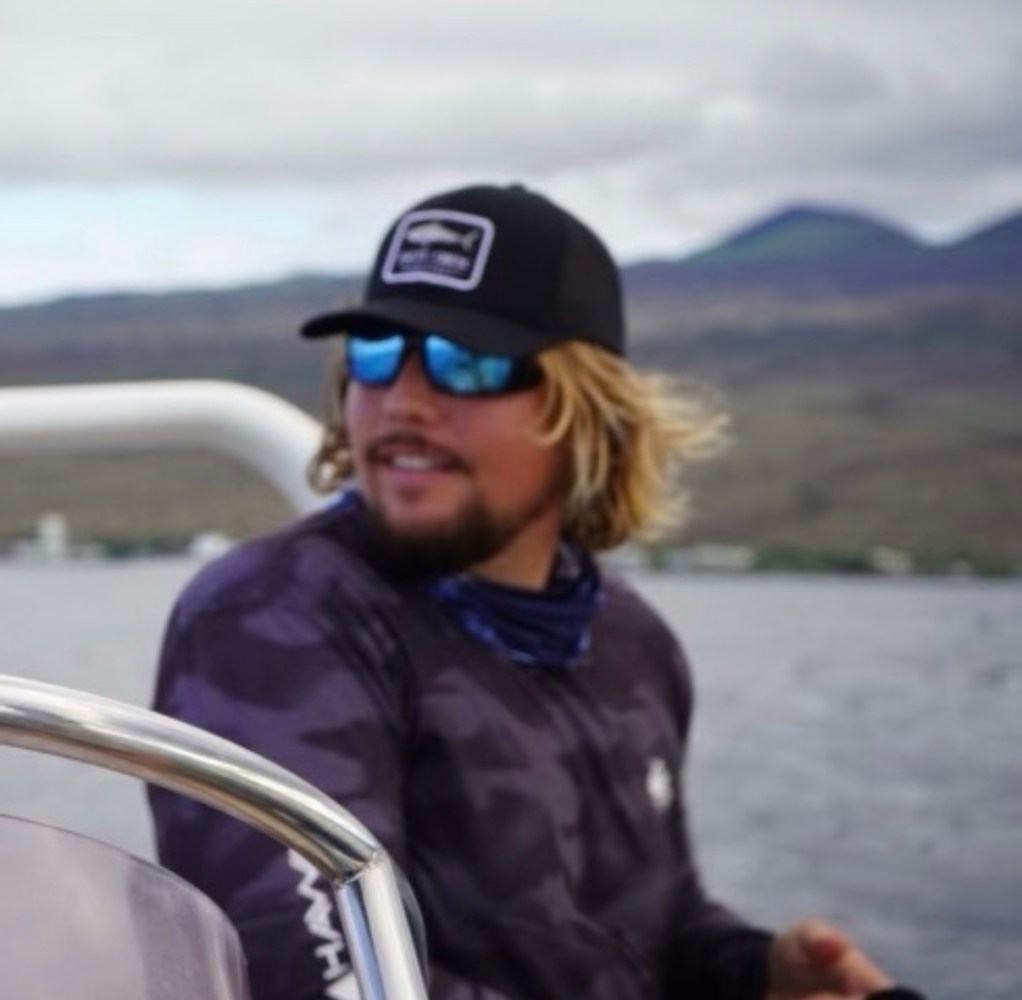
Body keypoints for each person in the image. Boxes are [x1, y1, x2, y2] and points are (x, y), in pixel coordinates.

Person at [148, 183, 917, 1000]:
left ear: (586, 412)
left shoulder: (632, 641)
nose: (403, 401)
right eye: (376, 353)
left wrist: (755, 974)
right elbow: (317, 980)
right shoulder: (272, 618)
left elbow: (655, 930)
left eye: (465, 362)